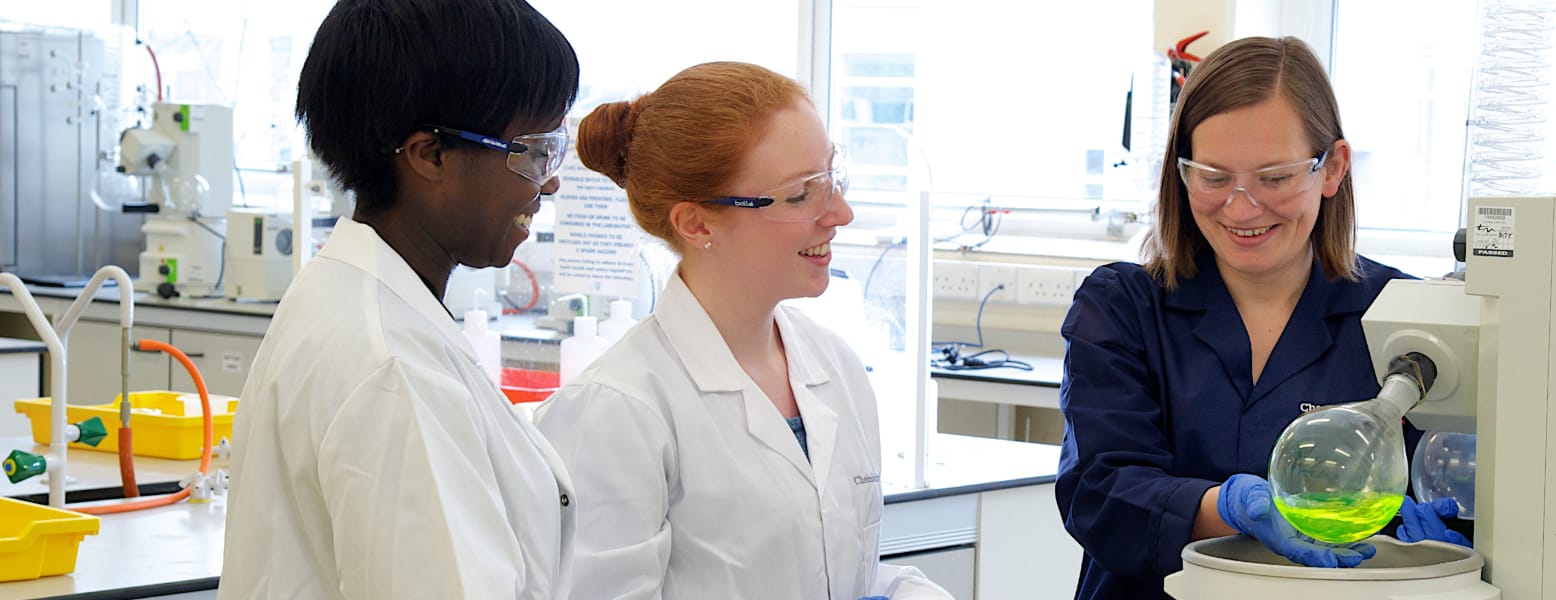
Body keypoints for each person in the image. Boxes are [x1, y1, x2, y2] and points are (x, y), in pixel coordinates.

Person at [1054, 36, 1467, 600]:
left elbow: (1460, 481)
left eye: (1274, 178)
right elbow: (1100, 492)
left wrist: (1454, 532)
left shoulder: (1409, 321)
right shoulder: (1123, 308)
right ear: (1181, 172)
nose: (1242, 207)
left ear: (1333, 169)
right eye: (1214, 177)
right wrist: (1226, 509)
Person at [533, 61, 951, 600]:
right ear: (698, 224)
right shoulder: (616, 409)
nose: (840, 213)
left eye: (832, 179)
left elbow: (833, 570)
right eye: (802, 195)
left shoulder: (835, 366)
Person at [219, 1, 580, 597]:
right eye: (532, 151)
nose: (551, 179)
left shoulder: (354, 296)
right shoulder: (394, 365)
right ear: (430, 155)